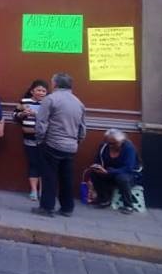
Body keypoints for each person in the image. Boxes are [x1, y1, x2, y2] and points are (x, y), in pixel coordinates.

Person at [33, 73, 86, 218]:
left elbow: (41, 123)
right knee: (66, 178)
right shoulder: (78, 102)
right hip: (71, 146)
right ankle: (67, 208)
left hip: (52, 143)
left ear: (55, 84)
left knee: (49, 177)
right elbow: (82, 127)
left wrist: (39, 139)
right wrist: (78, 140)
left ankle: (46, 207)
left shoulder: (50, 99)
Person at [88, 129, 142, 214]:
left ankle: (128, 205)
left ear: (122, 141)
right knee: (93, 173)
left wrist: (109, 172)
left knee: (121, 178)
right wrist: (97, 167)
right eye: (108, 143)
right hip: (109, 172)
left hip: (129, 175)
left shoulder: (128, 148)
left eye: (113, 143)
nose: (110, 146)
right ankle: (104, 199)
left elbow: (128, 168)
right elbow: (98, 160)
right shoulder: (104, 146)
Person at [13, 79, 49, 201]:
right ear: (32, 91)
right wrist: (22, 114)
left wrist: (36, 115)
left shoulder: (49, 103)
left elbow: (54, 120)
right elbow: (14, 116)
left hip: (45, 139)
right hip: (29, 138)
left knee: (44, 165)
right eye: (38, 90)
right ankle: (33, 190)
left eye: (44, 91)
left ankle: (43, 191)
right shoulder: (24, 101)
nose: (41, 93)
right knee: (33, 163)